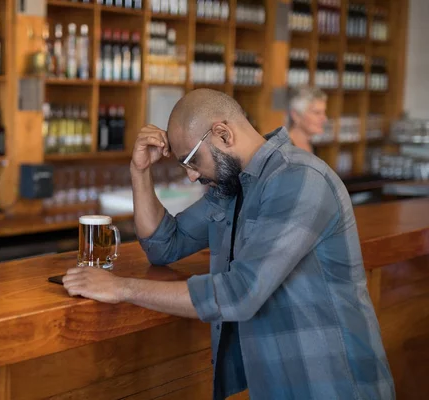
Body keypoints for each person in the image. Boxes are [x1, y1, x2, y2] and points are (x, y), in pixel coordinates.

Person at [62, 89, 394, 400]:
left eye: (192, 161)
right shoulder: (232, 188)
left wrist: (122, 288)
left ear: (223, 134)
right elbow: (164, 245)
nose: (191, 176)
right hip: (278, 382)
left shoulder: (299, 178)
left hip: (332, 384)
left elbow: (241, 292)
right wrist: (139, 172)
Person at [288, 86, 328, 152]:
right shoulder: (282, 151)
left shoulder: (314, 147)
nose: (324, 119)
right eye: (317, 113)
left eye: (324, 112)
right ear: (296, 115)